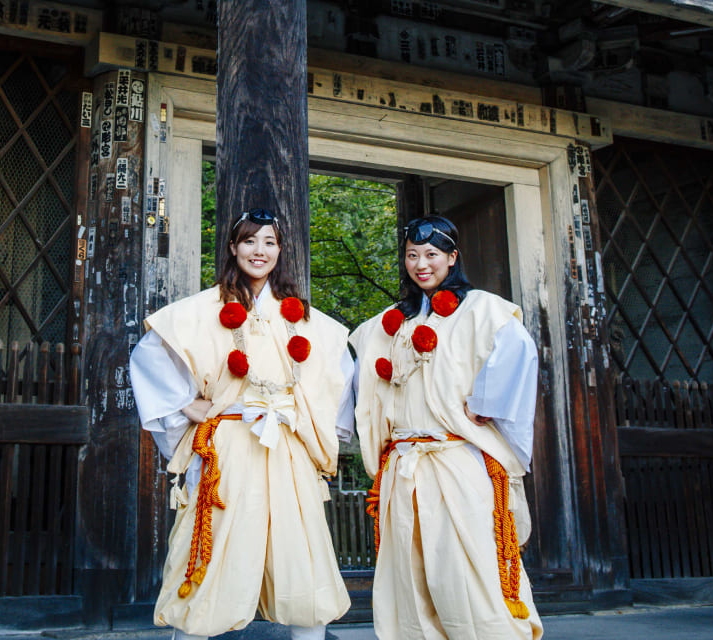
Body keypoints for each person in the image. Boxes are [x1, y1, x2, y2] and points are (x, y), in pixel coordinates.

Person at [130, 208, 353, 640]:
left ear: (280, 250)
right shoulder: (204, 308)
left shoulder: (302, 317)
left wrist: (315, 427)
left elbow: (337, 375)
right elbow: (149, 354)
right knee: (211, 548)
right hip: (229, 442)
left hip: (287, 447)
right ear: (233, 248)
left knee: (300, 554)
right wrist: (184, 404)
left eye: (269, 242)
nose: (259, 251)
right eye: (250, 241)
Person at [350, 215, 544, 640]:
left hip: (456, 459)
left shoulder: (483, 309)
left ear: (453, 257)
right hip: (403, 466)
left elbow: (516, 353)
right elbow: (356, 374)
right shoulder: (391, 322)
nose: (421, 264)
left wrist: (485, 403)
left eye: (432, 255)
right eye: (412, 255)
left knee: (467, 572)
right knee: (409, 578)